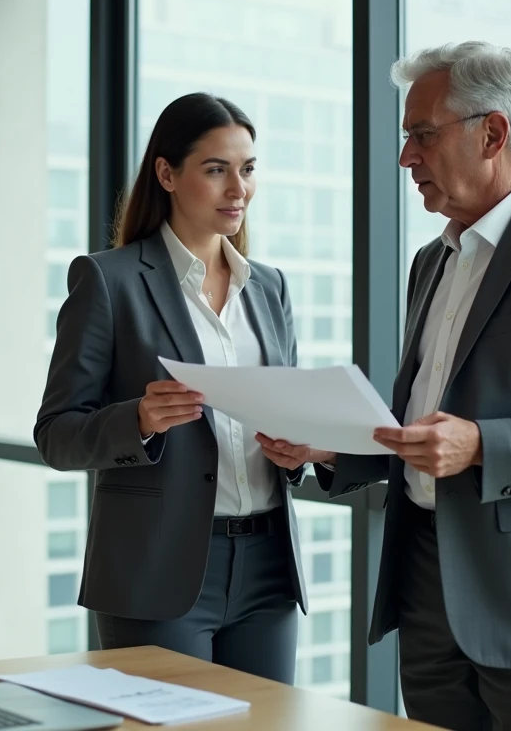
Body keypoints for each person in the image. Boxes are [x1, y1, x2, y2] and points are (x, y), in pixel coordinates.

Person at [259, 41, 511, 729]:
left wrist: (481, 447)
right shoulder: (430, 261)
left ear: (492, 132)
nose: (407, 157)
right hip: (424, 582)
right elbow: (421, 421)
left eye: (421, 134)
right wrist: (332, 450)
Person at [34, 92, 310, 684]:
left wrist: (300, 448)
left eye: (248, 169)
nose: (238, 188)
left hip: (267, 568)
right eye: (216, 170)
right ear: (167, 173)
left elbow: (284, 415)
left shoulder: (270, 288)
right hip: (157, 571)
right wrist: (139, 420)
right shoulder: (109, 282)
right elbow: (56, 436)